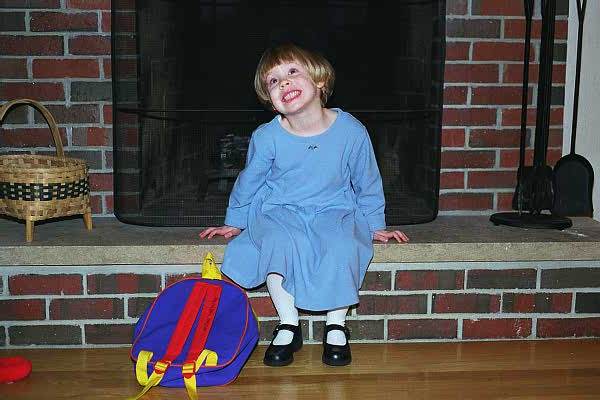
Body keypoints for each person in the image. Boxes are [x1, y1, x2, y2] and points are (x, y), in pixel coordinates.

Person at [200, 43, 409, 367]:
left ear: (320, 80)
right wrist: (235, 221)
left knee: (342, 245)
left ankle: (336, 325)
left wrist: (375, 225)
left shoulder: (351, 131)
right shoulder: (267, 137)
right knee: (278, 243)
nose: (283, 82)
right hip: (280, 209)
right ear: (270, 99)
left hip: (333, 208)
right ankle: (288, 323)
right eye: (273, 81)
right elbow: (249, 180)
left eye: (292, 72)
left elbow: (367, 181)